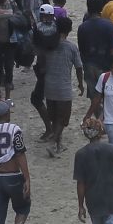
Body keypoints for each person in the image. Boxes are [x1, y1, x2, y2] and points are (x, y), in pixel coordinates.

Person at [39, 15, 84, 157]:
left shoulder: (48, 45)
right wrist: (81, 84)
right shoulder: (71, 47)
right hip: (63, 87)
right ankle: (53, 142)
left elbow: (41, 64)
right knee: (63, 118)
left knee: (54, 116)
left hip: (49, 85)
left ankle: (59, 144)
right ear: (70, 30)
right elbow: (78, 67)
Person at [77, 0, 113, 98]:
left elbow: (81, 50)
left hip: (89, 65)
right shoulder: (109, 25)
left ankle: (97, 113)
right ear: (101, 8)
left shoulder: (82, 27)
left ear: (88, 8)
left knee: (93, 97)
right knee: (107, 96)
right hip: (106, 66)